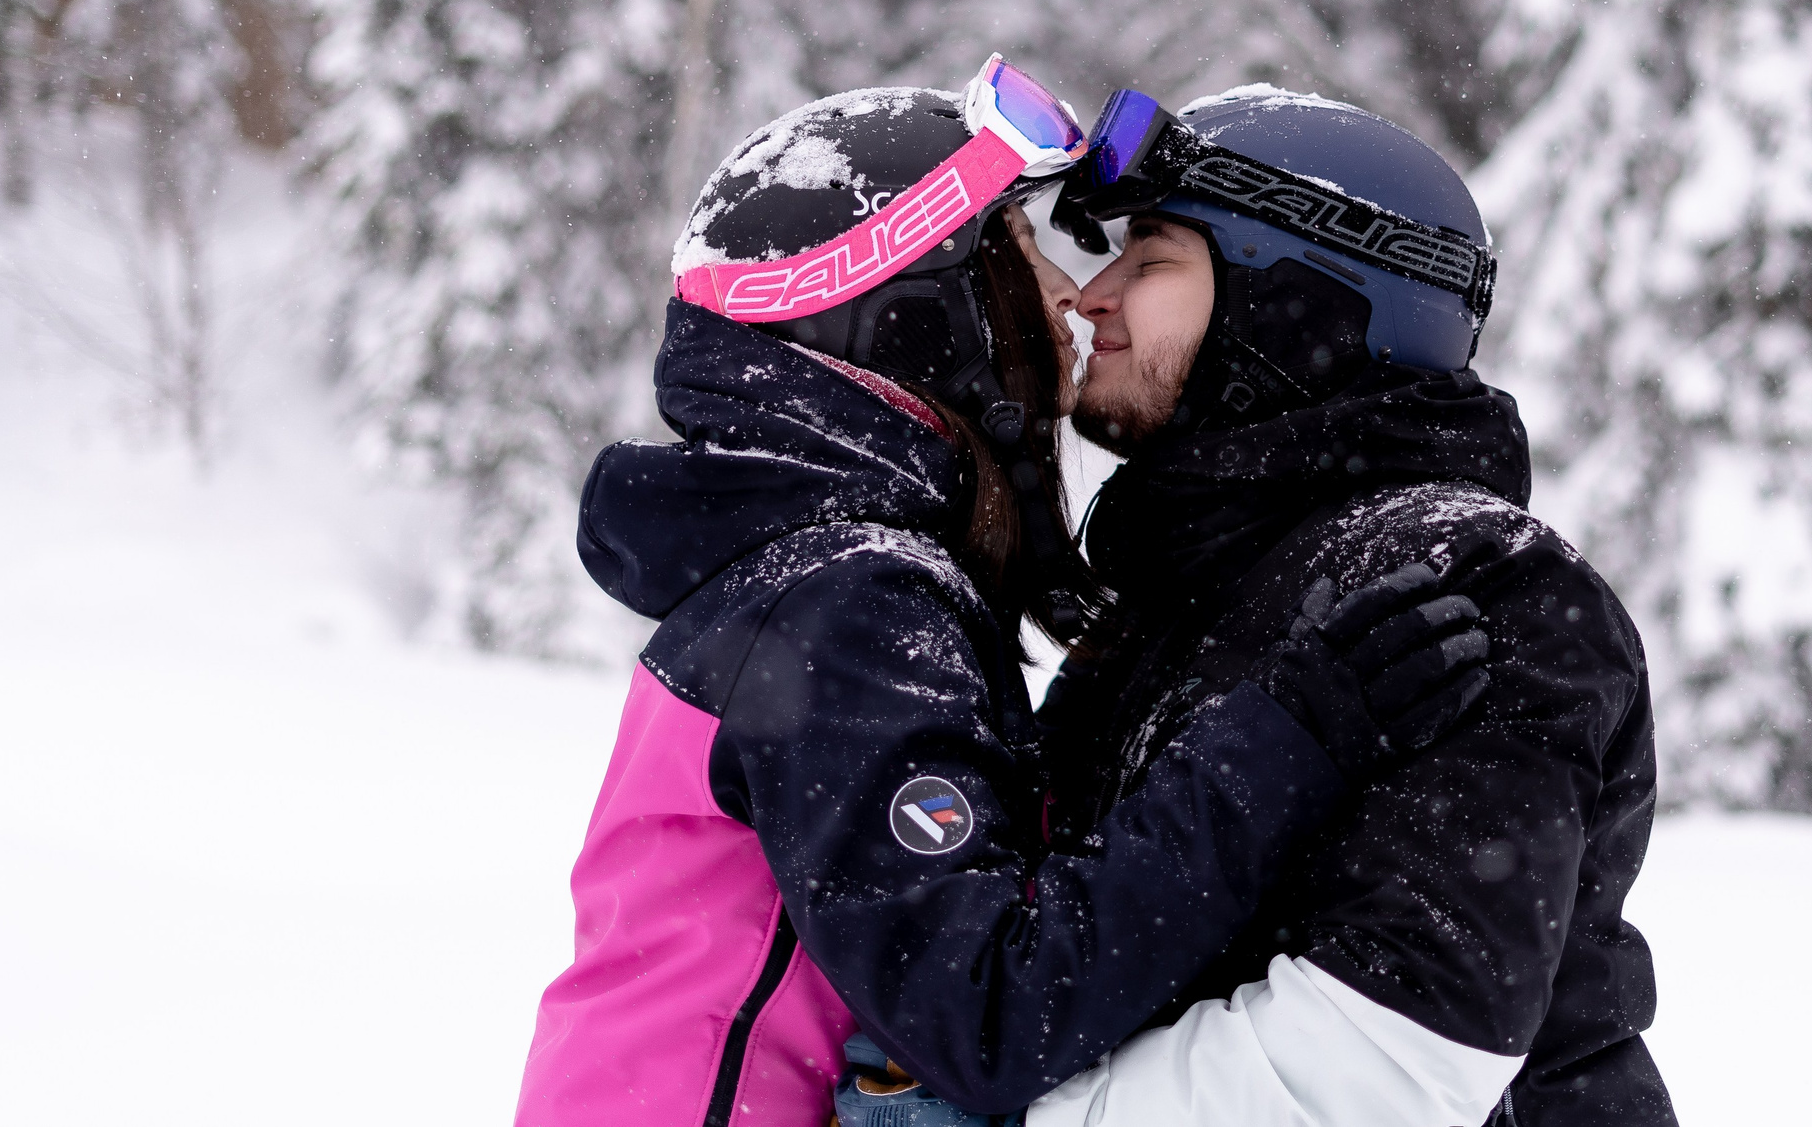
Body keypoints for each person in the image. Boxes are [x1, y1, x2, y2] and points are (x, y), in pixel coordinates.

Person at [512, 60, 1495, 1127]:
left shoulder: (802, 576)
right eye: (1021, 262)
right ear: (922, 319)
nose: (1074, 298)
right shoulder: (847, 602)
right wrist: (1286, 736)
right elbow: (988, 1007)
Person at [1018, 84, 1676, 1127]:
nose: (1096, 298)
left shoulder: (1475, 580)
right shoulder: (1182, 593)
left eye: (1150, 262)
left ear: (1298, 304)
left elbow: (1383, 1061)